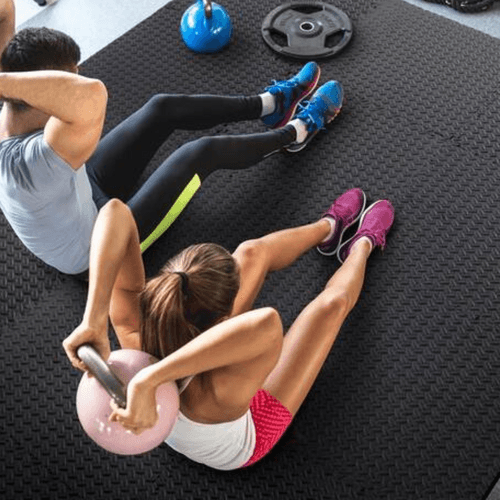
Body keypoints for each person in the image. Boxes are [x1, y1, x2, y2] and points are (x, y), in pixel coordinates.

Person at [63, 187, 395, 470]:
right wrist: (153, 379)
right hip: (245, 437)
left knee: (251, 252)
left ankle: (329, 227)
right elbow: (266, 324)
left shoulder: (133, 326)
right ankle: (363, 244)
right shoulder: (216, 390)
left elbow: (114, 212)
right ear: (225, 318)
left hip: (154, 408)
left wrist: (93, 318)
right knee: (329, 308)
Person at [0, 18, 343, 276]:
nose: (79, 80)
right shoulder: (35, 165)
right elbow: (92, 95)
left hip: (77, 192)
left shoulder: (13, 112)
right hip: (96, 249)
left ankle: (270, 105)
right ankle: (298, 133)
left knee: (160, 107)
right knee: (200, 153)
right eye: (70, 80)